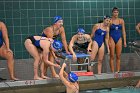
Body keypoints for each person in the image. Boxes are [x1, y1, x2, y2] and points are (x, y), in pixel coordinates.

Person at [109, 7, 127, 73]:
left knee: (118, 55)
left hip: (119, 38)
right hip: (112, 38)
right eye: (114, 12)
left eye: (117, 12)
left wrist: (125, 41)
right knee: (112, 55)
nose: (116, 13)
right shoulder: (110, 21)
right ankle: (112, 71)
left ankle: (118, 71)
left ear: (118, 13)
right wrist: (108, 41)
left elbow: (123, 31)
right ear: (112, 13)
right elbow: (107, 32)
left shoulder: (121, 20)